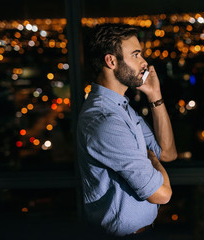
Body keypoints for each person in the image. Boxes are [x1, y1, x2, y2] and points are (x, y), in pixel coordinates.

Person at [76, 23, 177, 237]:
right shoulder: (106, 121)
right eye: (136, 55)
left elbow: (167, 153)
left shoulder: (122, 108)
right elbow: (162, 194)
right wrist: (151, 157)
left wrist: (155, 96)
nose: (144, 62)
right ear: (111, 61)